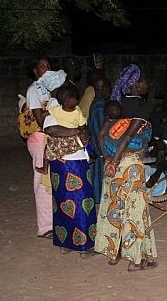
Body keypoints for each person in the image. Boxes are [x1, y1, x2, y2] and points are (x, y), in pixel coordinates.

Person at [95, 65, 158, 271]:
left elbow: (102, 135)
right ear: (136, 84)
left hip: (112, 164)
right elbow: (129, 136)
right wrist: (117, 159)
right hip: (129, 164)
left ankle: (114, 253)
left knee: (115, 208)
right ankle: (134, 259)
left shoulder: (116, 105)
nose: (147, 84)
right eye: (144, 81)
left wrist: (108, 159)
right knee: (135, 209)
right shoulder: (142, 107)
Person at [42, 88, 96, 257]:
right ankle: (75, 244)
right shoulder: (53, 112)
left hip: (75, 160)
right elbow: (50, 130)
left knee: (80, 203)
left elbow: (84, 129)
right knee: (69, 203)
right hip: (65, 162)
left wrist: (79, 132)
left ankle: (78, 244)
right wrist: (75, 132)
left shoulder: (76, 112)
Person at [25, 56, 53, 239]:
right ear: (35, 72)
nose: (47, 69)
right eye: (42, 66)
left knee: (50, 182)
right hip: (39, 137)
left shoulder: (50, 89)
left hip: (50, 137)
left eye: (49, 66)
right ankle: (45, 227)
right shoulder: (34, 90)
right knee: (42, 182)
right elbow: (40, 120)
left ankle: (52, 222)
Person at [88, 77, 111, 204]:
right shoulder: (99, 107)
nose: (110, 90)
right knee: (99, 177)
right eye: (108, 87)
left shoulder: (97, 103)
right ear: (101, 88)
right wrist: (102, 151)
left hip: (97, 148)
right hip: (99, 149)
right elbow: (99, 132)